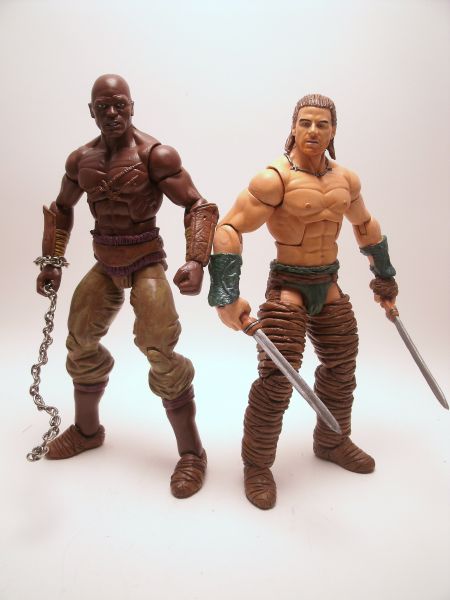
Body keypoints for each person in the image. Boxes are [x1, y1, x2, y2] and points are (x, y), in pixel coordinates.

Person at [208, 94, 398, 510]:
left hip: (328, 283)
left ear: (333, 131)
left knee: (342, 365)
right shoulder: (274, 179)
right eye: (306, 122)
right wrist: (225, 294)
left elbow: (365, 225)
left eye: (322, 124)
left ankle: (332, 441)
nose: (313, 131)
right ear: (293, 127)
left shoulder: (346, 179)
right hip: (289, 286)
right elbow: (228, 228)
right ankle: (257, 465)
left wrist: (384, 276)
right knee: (278, 378)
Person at [36, 74, 218, 499]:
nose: (113, 113)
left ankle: (192, 453)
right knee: (79, 340)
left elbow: (197, 204)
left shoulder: (155, 155)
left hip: (146, 260)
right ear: (92, 111)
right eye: (103, 107)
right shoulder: (81, 160)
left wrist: (196, 259)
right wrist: (52, 262)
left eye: (120, 104)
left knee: (159, 349)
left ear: (132, 106)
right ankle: (87, 431)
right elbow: (62, 209)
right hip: (104, 262)